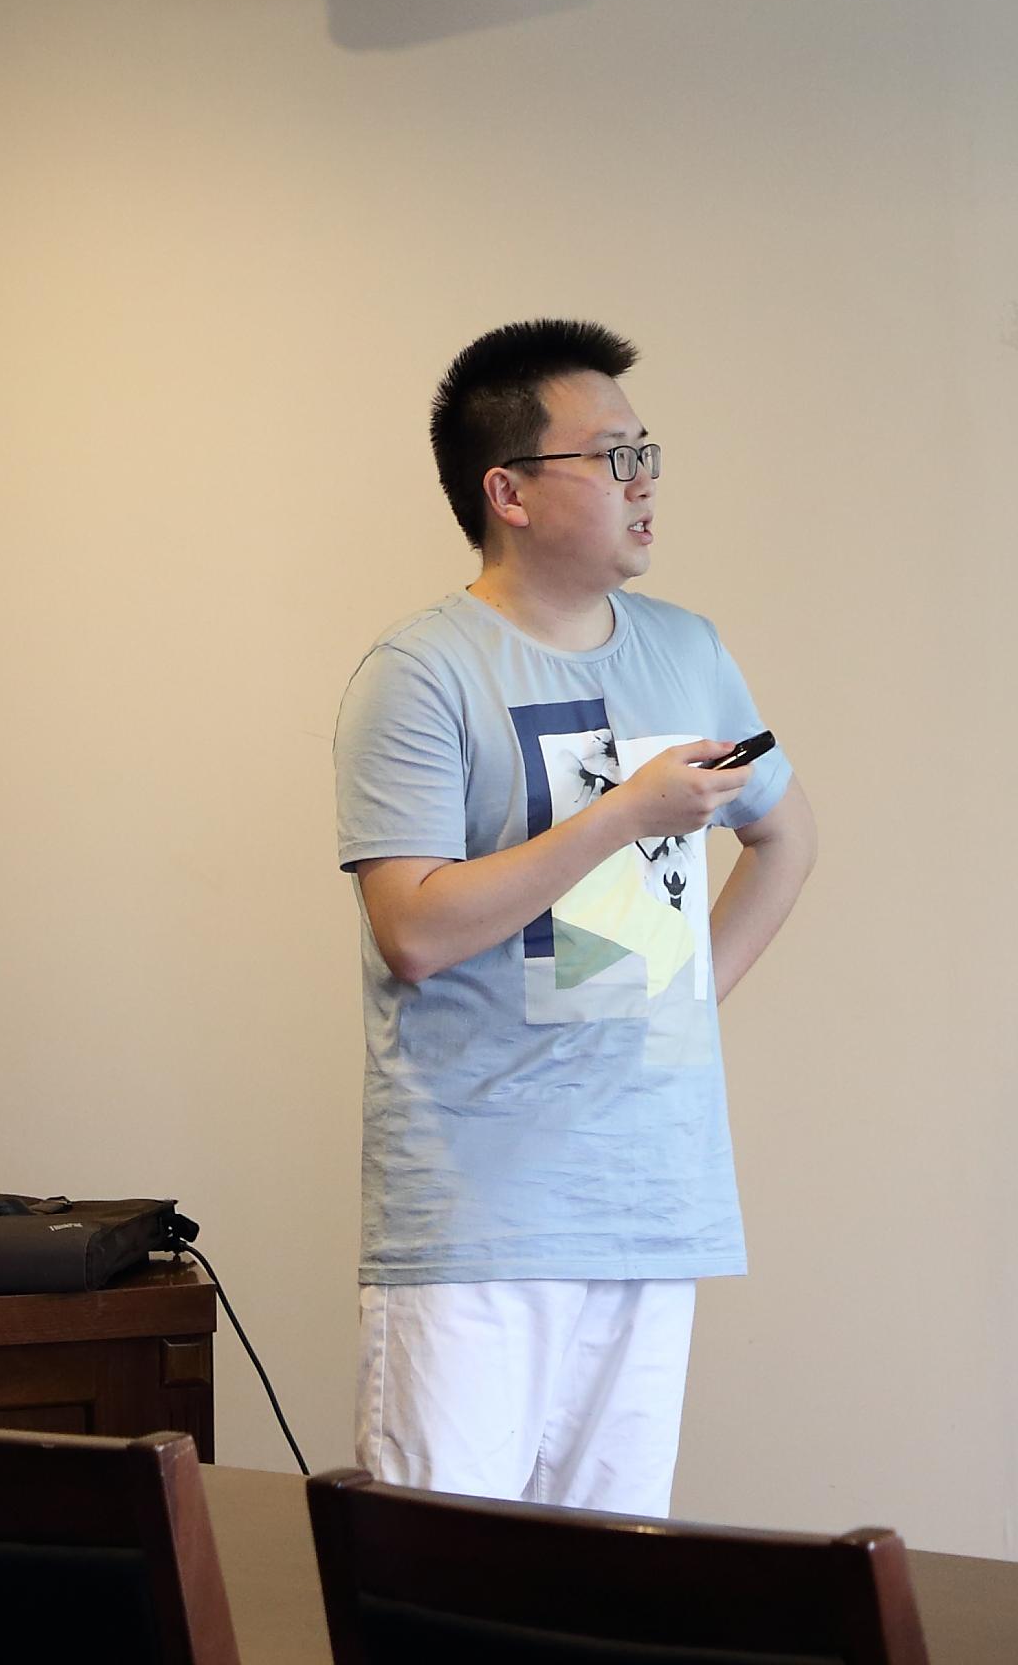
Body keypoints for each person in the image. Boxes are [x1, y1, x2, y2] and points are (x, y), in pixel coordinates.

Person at [334, 317, 819, 1513]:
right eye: (611, 457)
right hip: (479, 1213)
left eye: (648, 452)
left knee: (609, 1581)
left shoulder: (689, 652)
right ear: (508, 492)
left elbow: (786, 836)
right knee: (445, 1576)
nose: (644, 481)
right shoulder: (421, 674)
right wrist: (624, 813)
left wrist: (687, 995)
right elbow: (415, 931)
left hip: (651, 1198)